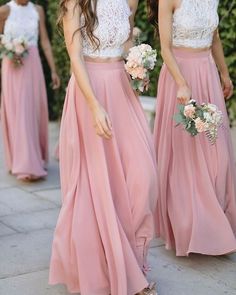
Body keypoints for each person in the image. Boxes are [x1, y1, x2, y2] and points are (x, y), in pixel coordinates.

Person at [49, 0, 158, 294]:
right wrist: (95, 106)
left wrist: (137, 64)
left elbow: (123, 44)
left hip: (122, 91)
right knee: (97, 186)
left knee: (142, 177)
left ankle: (131, 259)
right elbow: (75, 58)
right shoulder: (76, 3)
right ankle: (117, 271)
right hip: (90, 93)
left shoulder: (128, 1)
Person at [148, 0, 236, 256]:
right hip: (179, 76)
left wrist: (225, 73)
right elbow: (165, 49)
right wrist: (182, 83)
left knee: (216, 152)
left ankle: (213, 221)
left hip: (207, 74)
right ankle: (188, 226)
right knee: (185, 156)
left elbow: (215, 36)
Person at [0, 0, 60, 181]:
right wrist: (8, 48)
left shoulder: (38, 10)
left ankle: (32, 159)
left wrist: (54, 70)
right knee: (17, 112)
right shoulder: (4, 10)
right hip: (11, 65)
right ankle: (22, 163)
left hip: (33, 65)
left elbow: (45, 42)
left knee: (31, 112)